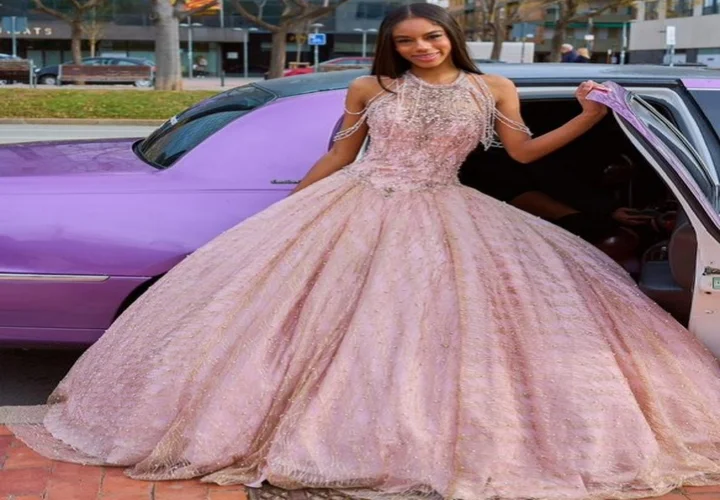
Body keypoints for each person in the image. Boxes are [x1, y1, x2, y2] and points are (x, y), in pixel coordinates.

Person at [9, 3, 720, 499]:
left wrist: (593, 115)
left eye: (432, 38)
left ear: (450, 37)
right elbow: (339, 154)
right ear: (394, 46)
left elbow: (525, 153)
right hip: (356, 204)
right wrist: (289, 214)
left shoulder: (492, 86)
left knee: (434, 333)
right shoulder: (369, 85)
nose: (422, 49)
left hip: (446, 211)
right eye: (409, 41)